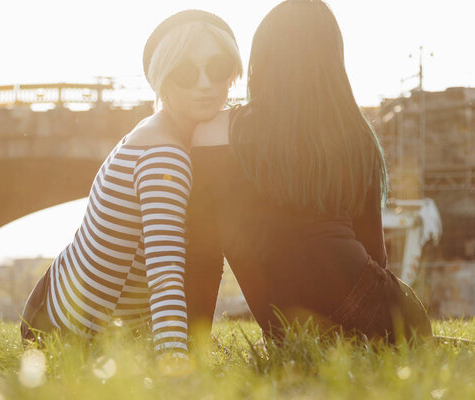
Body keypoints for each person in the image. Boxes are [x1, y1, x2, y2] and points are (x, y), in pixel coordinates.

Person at [184, 0, 432, 343]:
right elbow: (375, 255)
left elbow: (203, 257)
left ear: (263, 58)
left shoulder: (214, 134)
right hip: (390, 315)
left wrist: (189, 348)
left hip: (288, 329)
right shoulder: (356, 135)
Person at [20, 9, 243, 357]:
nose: (204, 83)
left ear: (232, 73)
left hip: (51, 306)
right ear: (164, 80)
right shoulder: (164, 155)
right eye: (186, 72)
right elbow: (165, 270)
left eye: (216, 68)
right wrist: (175, 362)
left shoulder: (157, 129)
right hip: (74, 338)